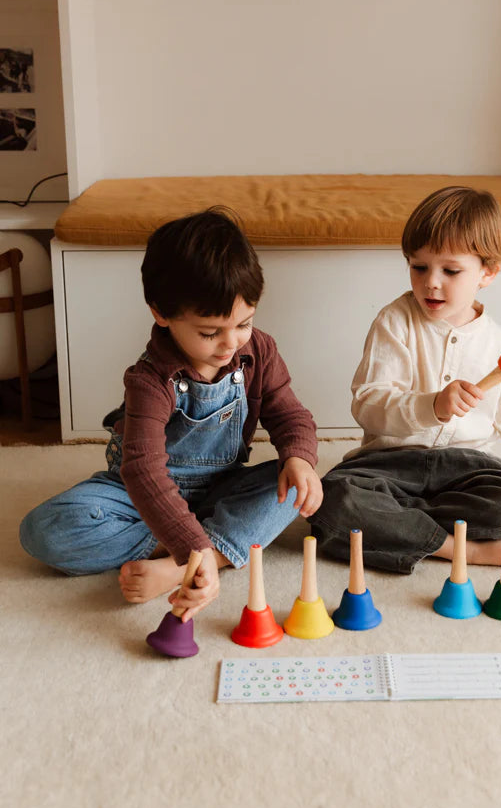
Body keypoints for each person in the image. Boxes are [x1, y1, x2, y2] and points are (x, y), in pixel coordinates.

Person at [20, 207, 322, 619]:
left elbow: (290, 415)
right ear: (161, 313)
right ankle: (203, 548)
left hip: (220, 487)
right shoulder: (149, 378)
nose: (230, 343)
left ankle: (188, 561)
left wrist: (300, 458)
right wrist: (191, 543)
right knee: (42, 530)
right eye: (209, 332)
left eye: (244, 323)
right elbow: (142, 470)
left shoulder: (259, 351)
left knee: (290, 488)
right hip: (139, 495)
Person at [308, 186, 501, 574]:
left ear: (488, 272)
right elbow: (368, 404)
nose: (432, 282)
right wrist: (430, 405)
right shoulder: (394, 322)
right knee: (332, 500)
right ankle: (463, 548)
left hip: (465, 470)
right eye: (419, 267)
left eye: (450, 270)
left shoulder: (497, 342)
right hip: (389, 466)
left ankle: (399, 529)